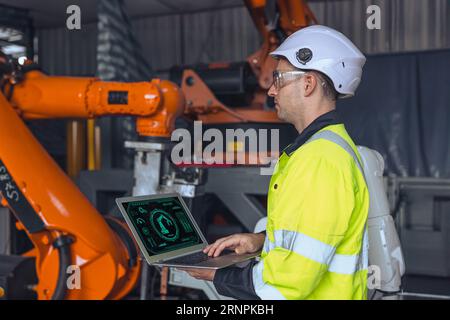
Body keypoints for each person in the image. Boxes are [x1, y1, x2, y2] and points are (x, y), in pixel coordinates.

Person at [182, 25, 370, 300]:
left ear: (308, 84)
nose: (271, 91)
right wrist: (258, 241)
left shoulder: (320, 160)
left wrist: (218, 275)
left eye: (279, 79)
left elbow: (288, 283)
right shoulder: (320, 150)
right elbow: (309, 238)